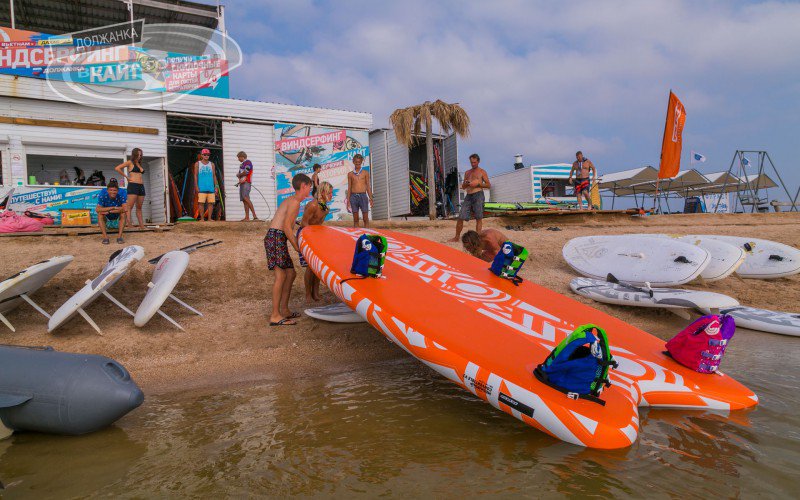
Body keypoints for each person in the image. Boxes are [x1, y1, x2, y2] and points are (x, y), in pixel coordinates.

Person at [265, 173, 313, 326]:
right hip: (276, 237)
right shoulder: (295, 203)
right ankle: (275, 315)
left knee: (291, 273)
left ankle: (284, 310)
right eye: (309, 187)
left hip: (277, 237)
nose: (310, 190)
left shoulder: (293, 201)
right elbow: (286, 227)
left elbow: (288, 222)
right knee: (281, 276)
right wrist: (297, 247)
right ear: (303, 186)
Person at [298, 181, 332, 302]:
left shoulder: (326, 208)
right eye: (329, 192)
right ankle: (308, 294)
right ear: (322, 192)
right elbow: (304, 223)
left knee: (317, 266)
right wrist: (311, 237)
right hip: (305, 234)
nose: (331, 195)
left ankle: (315, 293)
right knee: (309, 266)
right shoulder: (313, 205)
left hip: (315, 235)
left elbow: (319, 224)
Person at [450, 154, 490, 242]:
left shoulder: (482, 172)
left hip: (478, 195)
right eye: (471, 162)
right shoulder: (467, 172)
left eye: (474, 162)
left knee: (478, 217)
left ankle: (478, 239)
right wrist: (466, 183)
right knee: (461, 216)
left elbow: (488, 185)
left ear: (478, 161)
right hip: (468, 195)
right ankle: (456, 237)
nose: (473, 164)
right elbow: (463, 187)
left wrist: (478, 184)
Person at [114, 147, 146, 229]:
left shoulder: (139, 164)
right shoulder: (130, 162)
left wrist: (138, 164)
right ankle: (129, 224)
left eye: (140, 155)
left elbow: (141, 172)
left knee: (139, 207)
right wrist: (127, 177)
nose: (139, 156)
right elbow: (117, 168)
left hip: (141, 186)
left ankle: (142, 226)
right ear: (134, 154)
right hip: (133, 185)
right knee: (129, 207)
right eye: (138, 155)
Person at [96, 178, 128, 245]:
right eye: (111, 190)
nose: (113, 192)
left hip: (115, 214)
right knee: (100, 214)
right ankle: (105, 238)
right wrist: (113, 207)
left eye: (115, 190)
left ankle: (119, 237)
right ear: (107, 190)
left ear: (118, 190)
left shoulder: (121, 195)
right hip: (107, 215)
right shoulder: (103, 195)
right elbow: (98, 209)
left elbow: (125, 209)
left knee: (123, 214)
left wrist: (109, 211)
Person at [345, 154, 372, 228]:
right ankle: (357, 233)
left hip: (363, 196)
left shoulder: (365, 173)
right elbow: (349, 188)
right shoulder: (350, 174)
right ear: (353, 162)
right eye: (356, 162)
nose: (357, 164)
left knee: (365, 218)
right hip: (353, 197)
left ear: (361, 162)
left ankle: (367, 233)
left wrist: (371, 198)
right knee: (356, 219)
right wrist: (348, 200)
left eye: (359, 162)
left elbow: (368, 186)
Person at [194, 148, 218, 222]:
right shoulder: (197, 164)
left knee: (211, 203)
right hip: (201, 187)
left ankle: (209, 218)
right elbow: (195, 175)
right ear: (201, 155)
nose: (206, 156)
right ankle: (202, 218)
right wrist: (196, 186)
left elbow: (214, 176)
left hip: (211, 187)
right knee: (201, 203)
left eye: (208, 154)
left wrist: (216, 186)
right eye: (204, 154)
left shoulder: (212, 164)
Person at [236, 151, 258, 221]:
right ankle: (247, 217)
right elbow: (241, 174)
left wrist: (239, 175)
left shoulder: (248, 162)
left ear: (242, 157)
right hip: (242, 183)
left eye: (239, 157)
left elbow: (246, 172)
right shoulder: (242, 164)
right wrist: (239, 178)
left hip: (246, 182)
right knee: (244, 200)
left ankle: (255, 216)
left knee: (246, 198)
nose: (238, 159)